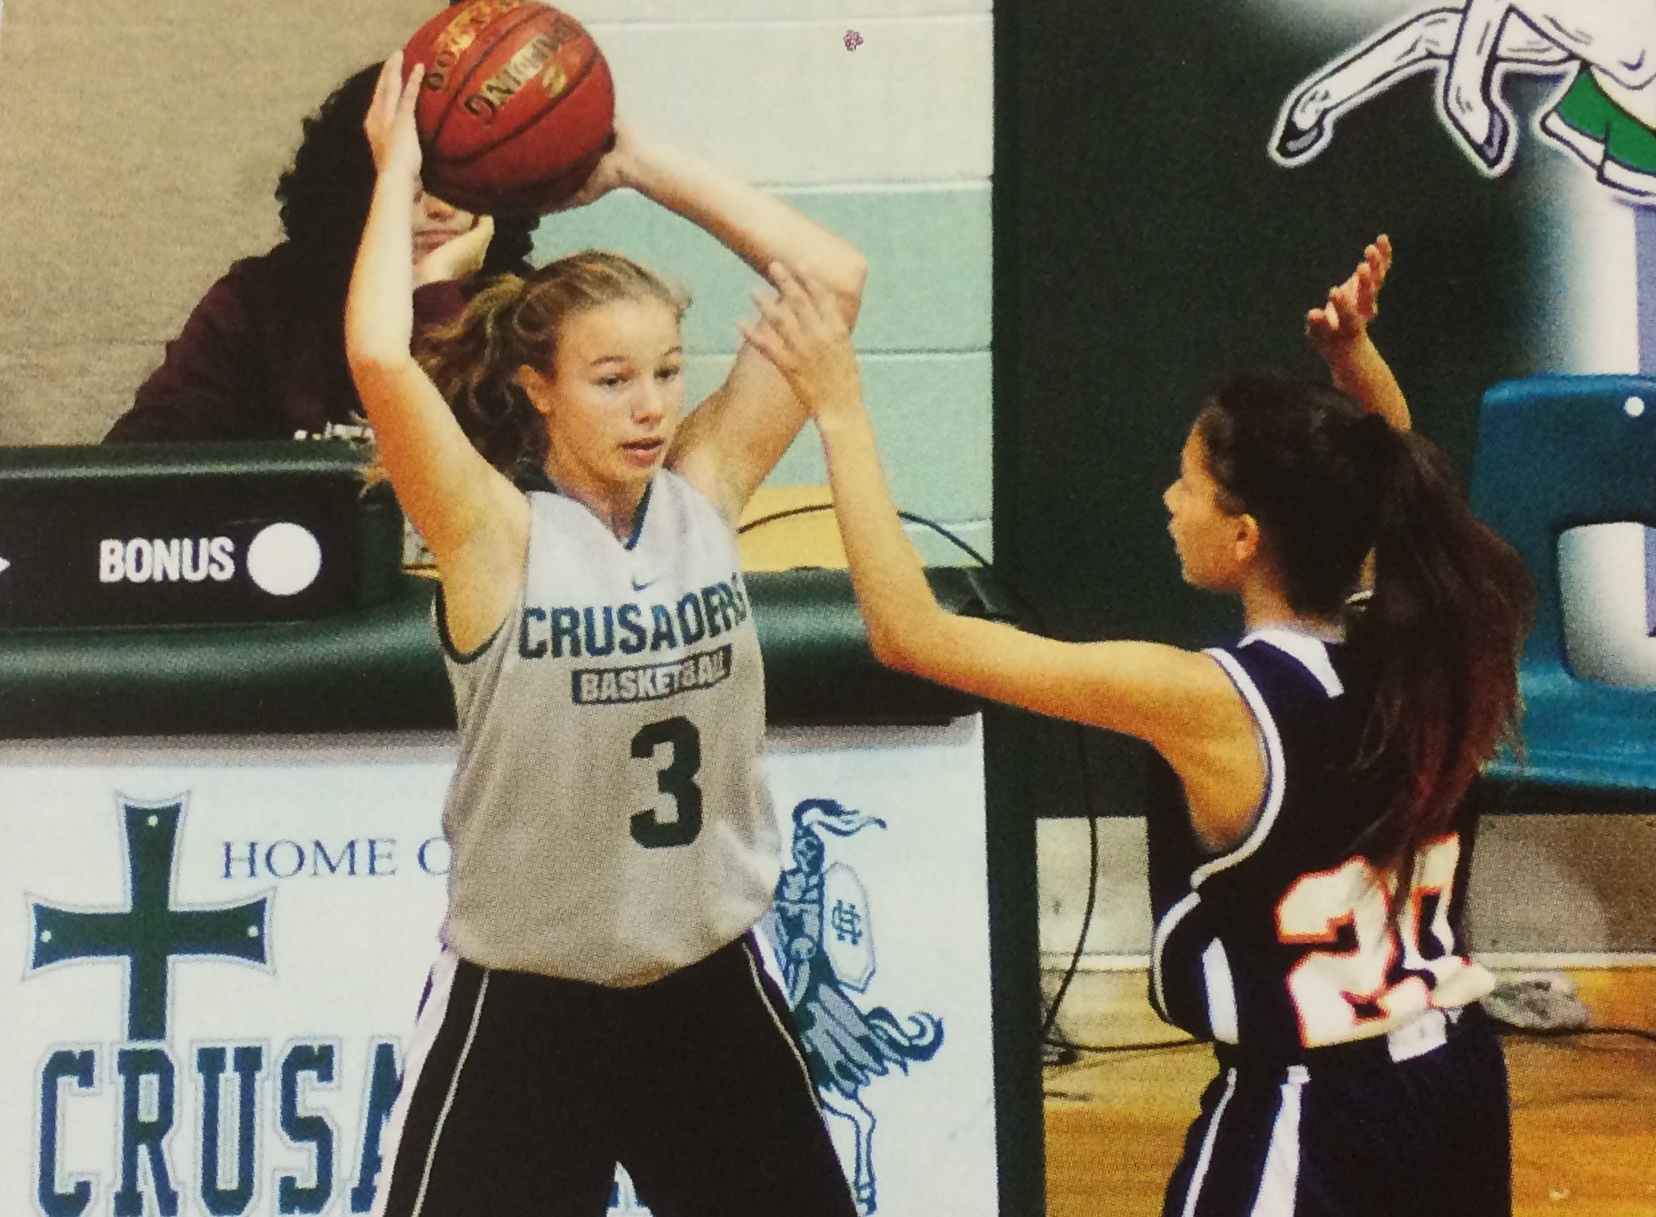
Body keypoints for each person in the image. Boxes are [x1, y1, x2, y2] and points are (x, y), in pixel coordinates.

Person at [742, 241, 1536, 1216]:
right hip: (1454, 1082)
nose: (1169, 501)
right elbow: (1389, 463)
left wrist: (836, 402)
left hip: (1310, 1105)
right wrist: (1353, 363)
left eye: (1188, 483)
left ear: (1245, 538)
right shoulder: (1421, 640)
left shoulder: (1209, 701)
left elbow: (910, 634)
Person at [345, 53, 867, 1217]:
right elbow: (381, 356)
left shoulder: (706, 489)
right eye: (612, 377)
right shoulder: (493, 534)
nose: (651, 405)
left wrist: (635, 161)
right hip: (527, 1009)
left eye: (669, 373)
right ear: (537, 387)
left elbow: (830, 279)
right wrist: (400, 174)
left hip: (707, 990)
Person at [105, 62, 535, 443]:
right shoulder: (264, 301)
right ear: (355, 188)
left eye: (458, 183)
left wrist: (434, 293)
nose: (442, 209)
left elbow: (483, 479)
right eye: (415, 185)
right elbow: (137, 467)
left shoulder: (529, 313)